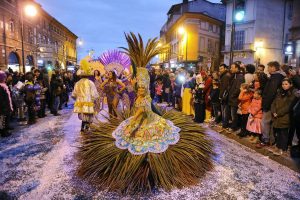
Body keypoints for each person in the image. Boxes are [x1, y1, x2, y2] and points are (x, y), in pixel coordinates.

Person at [257, 61, 286, 148]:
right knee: (269, 123)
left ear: (273, 68)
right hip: (272, 104)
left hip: (270, 104)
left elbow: (271, 93)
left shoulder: (276, 78)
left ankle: (265, 140)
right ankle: (270, 140)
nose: (267, 69)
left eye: (269, 67)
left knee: (265, 122)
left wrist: (266, 105)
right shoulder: (275, 77)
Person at [270, 78, 296, 155]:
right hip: (276, 116)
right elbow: (273, 103)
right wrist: (274, 111)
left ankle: (282, 148)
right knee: (277, 132)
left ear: (290, 85)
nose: (284, 86)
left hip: (284, 117)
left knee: (283, 133)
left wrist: (278, 113)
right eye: (283, 84)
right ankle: (278, 146)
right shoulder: (279, 92)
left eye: (286, 84)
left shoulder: (292, 94)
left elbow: (288, 107)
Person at [72, 62, 99, 132]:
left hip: (80, 103)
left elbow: (73, 94)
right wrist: (94, 101)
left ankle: (83, 129)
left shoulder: (77, 83)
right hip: (88, 102)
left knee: (84, 117)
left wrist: (78, 100)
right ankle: (85, 130)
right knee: (88, 117)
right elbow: (95, 94)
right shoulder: (90, 82)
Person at [228, 63, 245, 132]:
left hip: (235, 99)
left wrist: (232, 95)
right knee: (232, 114)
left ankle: (234, 127)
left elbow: (238, 88)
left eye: (232, 67)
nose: (231, 69)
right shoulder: (234, 75)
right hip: (232, 98)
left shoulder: (240, 77)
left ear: (237, 68)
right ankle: (233, 125)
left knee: (234, 114)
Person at [0, 71, 13, 137]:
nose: (5, 78)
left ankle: (6, 129)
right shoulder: (1, 87)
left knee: (6, 118)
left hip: (6, 106)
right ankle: (3, 132)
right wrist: (4, 106)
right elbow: (1, 98)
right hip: (3, 107)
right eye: (4, 77)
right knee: (3, 120)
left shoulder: (4, 85)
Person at [219, 64, 231, 129]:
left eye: (221, 68)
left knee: (225, 111)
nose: (220, 70)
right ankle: (224, 123)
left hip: (225, 96)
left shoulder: (226, 76)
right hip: (224, 95)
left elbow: (224, 87)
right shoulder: (224, 75)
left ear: (225, 68)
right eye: (220, 69)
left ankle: (224, 124)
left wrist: (221, 95)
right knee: (223, 110)